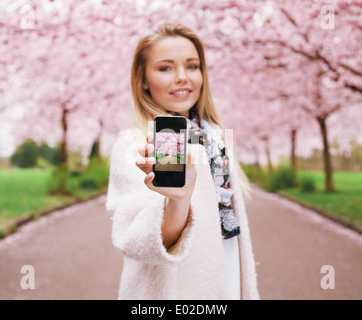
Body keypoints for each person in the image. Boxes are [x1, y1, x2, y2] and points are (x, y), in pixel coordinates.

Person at [106, 23, 260, 300]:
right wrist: (178, 200)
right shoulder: (136, 144)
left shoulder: (216, 137)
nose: (182, 77)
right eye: (165, 68)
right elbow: (139, 240)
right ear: (143, 79)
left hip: (226, 266)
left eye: (192, 66)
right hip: (173, 286)